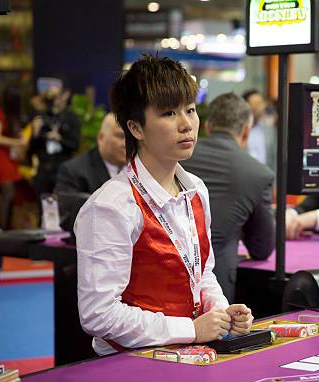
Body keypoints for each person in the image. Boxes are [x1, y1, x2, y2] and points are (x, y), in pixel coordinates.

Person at [75, 54, 253, 356]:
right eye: (169, 113)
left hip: (192, 354)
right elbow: (98, 314)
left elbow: (201, 272)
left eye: (191, 110)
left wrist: (221, 312)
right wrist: (190, 329)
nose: (186, 125)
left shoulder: (196, 189)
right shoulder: (111, 206)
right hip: (130, 363)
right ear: (136, 128)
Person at [183, 93, 275, 301]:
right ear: (246, 132)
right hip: (217, 286)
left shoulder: (176, 158)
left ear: (207, 127)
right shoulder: (258, 174)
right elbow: (261, 248)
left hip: (164, 276)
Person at [54, 113, 126, 232]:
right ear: (101, 138)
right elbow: (66, 217)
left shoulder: (141, 169)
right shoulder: (73, 171)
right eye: (120, 136)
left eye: (132, 138)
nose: (127, 143)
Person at [28, 77, 81, 198]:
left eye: (58, 94)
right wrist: (35, 134)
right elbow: (31, 150)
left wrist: (59, 139)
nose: (54, 97)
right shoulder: (42, 117)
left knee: (62, 208)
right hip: (43, 170)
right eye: (51, 95)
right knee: (43, 211)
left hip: (62, 170)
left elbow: (75, 145)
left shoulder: (72, 118)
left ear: (66, 94)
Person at [0, 85, 27, 230]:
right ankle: (3, 229)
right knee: (9, 192)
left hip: (9, 157)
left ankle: (8, 227)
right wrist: (18, 142)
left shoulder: (14, 116)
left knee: (14, 193)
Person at [242, 89, 276, 170]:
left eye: (261, 103)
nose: (260, 108)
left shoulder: (270, 131)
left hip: (267, 179)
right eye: (255, 104)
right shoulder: (239, 131)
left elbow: (275, 159)